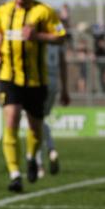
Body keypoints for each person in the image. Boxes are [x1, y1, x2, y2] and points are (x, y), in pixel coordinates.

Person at [0, 0, 66, 192]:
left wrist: (38, 36)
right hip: (9, 77)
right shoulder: (4, 11)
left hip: (35, 80)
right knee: (11, 120)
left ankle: (32, 156)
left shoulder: (44, 12)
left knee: (35, 128)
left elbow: (61, 36)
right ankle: (15, 174)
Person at [34, 29, 70, 179]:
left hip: (39, 81)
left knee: (34, 123)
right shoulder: (58, 39)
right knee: (40, 121)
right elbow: (63, 65)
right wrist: (65, 90)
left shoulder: (37, 37)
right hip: (54, 83)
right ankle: (51, 150)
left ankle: (40, 165)